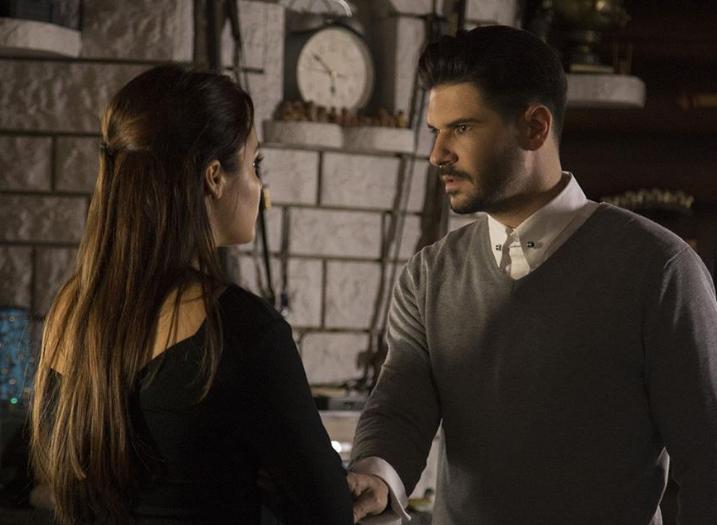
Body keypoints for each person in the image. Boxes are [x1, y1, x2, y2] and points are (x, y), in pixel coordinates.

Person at [347, 25, 717, 524]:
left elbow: (707, 460)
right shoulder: (429, 275)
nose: (437, 154)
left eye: (462, 128)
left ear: (535, 128)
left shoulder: (659, 270)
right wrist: (376, 476)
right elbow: (400, 409)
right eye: (436, 131)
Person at [30, 65, 353, 525]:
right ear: (214, 176)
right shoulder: (243, 330)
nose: (262, 190)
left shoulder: (69, 311)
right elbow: (330, 510)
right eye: (255, 165)